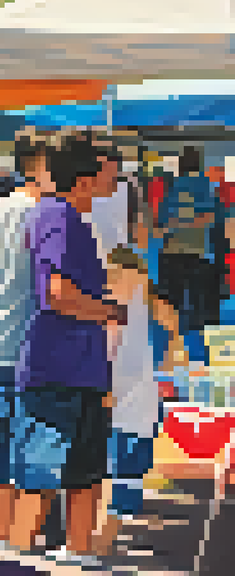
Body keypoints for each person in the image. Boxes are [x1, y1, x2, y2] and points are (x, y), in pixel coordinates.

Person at [10, 132, 128, 566]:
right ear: (83, 180)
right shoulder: (57, 216)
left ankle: (79, 550)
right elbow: (56, 293)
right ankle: (18, 557)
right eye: (106, 172)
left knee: (85, 469)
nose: (112, 181)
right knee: (42, 472)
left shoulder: (65, 216)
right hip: (57, 367)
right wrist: (109, 311)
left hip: (80, 368)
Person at [0, 131, 48, 552]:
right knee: (31, 440)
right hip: (30, 342)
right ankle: (21, 541)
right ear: (37, 165)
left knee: (0, 440)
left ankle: (0, 534)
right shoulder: (41, 212)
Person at [93, 246, 181, 557]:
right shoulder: (153, 308)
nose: (110, 282)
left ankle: (103, 540)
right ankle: (108, 531)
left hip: (128, 399)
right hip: (139, 398)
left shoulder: (129, 308)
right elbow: (172, 355)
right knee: (126, 467)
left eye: (115, 276)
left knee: (121, 468)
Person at [157, 145, 220, 361]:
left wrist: (174, 226)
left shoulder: (172, 185)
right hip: (197, 253)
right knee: (198, 311)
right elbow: (210, 217)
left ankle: (173, 356)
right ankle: (199, 359)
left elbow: (162, 220)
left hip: (171, 253)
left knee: (173, 309)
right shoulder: (205, 184)